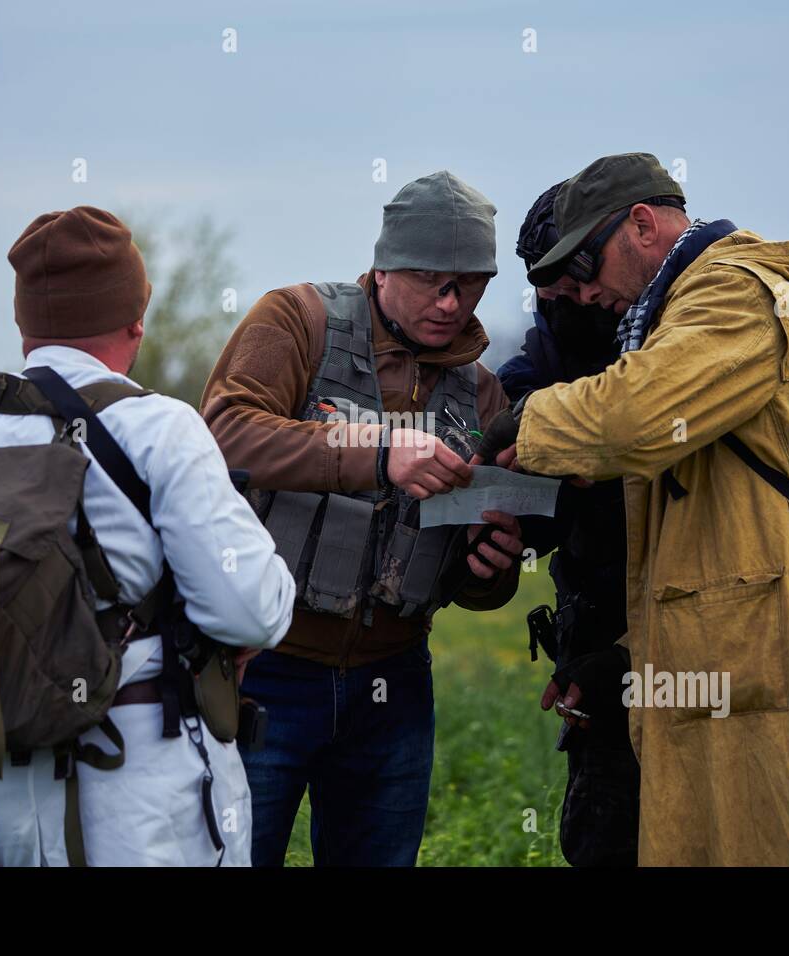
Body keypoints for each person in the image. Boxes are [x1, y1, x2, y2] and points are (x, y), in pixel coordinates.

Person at [477, 153, 789, 866]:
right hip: (735, 648)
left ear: (643, 224)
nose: (583, 294)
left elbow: (634, 416)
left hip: (764, 649)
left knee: (787, 835)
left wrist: (527, 423)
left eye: (587, 267)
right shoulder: (680, 306)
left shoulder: (728, 292)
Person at [0, 206, 295, 865]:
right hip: (144, 800)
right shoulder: (159, 428)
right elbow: (253, 609)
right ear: (136, 318)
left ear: (24, 325)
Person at [201, 171, 525, 866]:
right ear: (382, 269)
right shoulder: (296, 321)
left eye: (470, 285)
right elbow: (225, 434)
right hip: (264, 668)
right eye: (431, 280)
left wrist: (488, 566)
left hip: (395, 684)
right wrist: (377, 451)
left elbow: (476, 585)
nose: (450, 302)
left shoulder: (483, 394)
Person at [497, 182, 638, 867]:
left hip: (709, 645)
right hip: (600, 658)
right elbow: (526, 499)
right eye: (549, 295)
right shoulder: (551, 353)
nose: (571, 305)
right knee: (606, 841)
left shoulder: (684, 338)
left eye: (576, 284)